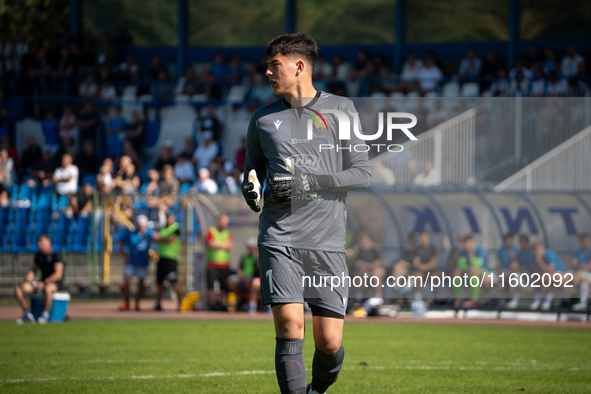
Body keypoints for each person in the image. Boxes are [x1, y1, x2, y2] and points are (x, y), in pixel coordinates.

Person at [241, 33, 371, 394]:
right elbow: (253, 173)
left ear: (299, 66)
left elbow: (362, 172)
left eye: (274, 65)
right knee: (290, 327)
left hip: (327, 243)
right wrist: (250, 189)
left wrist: (308, 183)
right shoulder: (262, 120)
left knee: (329, 343)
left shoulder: (341, 110)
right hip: (279, 237)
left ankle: (317, 390)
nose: (267, 72)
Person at [14, 235, 64, 324]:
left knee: (48, 288)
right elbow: (33, 270)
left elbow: (58, 275)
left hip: (54, 284)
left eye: (41, 242)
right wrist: (29, 277)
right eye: (38, 242)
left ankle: (45, 314)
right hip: (41, 283)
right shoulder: (38, 255)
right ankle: (27, 314)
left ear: (49, 243)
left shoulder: (56, 255)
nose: (39, 244)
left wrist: (44, 282)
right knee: (19, 289)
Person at [118, 215, 153, 311]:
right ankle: (126, 302)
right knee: (127, 281)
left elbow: (155, 243)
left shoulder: (148, 235)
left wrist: (151, 254)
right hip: (131, 261)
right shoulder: (131, 233)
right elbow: (120, 241)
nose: (140, 227)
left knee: (141, 283)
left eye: (142, 225)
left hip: (142, 262)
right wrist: (124, 253)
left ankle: (137, 302)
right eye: (139, 225)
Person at [347, 231, 385, 318]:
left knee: (377, 272)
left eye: (365, 240)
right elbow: (355, 263)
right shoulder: (359, 250)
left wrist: (365, 265)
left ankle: (378, 297)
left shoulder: (376, 249)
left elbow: (377, 264)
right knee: (359, 272)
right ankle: (359, 297)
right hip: (363, 273)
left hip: (375, 272)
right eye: (361, 240)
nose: (363, 242)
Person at [152, 212, 183, 311]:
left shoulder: (176, 228)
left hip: (171, 258)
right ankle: (158, 303)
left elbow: (170, 239)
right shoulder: (162, 228)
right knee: (159, 282)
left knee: (174, 280)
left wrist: (159, 238)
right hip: (161, 257)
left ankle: (180, 302)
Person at [205, 214, 233, 310]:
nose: (225, 223)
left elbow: (229, 246)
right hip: (212, 264)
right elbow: (211, 244)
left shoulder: (228, 233)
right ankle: (212, 305)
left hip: (224, 265)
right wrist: (223, 244)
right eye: (223, 221)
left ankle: (221, 305)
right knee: (211, 285)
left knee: (223, 286)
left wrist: (217, 243)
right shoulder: (211, 231)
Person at [453, 235, 489, 308]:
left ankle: (474, 300)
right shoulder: (463, 251)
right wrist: (468, 268)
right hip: (469, 271)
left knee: (474, 272)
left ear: (472, 242)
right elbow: (460, 264)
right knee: (457, 272)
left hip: (483, 271)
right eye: (465, 244)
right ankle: (458, 299)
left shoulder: (481, 250)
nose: (467, 246)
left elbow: (477, 264)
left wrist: (470, 253)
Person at [228, 237, 261, 313]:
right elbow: (239, 269)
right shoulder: (244, 256)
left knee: (254, 283)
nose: (249, 248)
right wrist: (241, 276)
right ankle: (241, 301)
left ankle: (252, 306)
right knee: (231, 280)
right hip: (243, 278)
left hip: (253, 278)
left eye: (251, 247)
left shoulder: (257, 257)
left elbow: (257, 270)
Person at [531, 242, 565, 311]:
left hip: (560, 273)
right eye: (535, 250)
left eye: (538, 249)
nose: (537, 251)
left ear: (543, 248)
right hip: (547, 273)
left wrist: (539, 261)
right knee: (536, 278)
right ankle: (537, 301)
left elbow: (550, 269)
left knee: (548, 277)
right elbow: (536, 269)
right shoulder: (535, 256)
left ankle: (549, 301)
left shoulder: (549, 254)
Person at [411, 230, 438, 301]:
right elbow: (416, 262)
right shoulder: (418, 249)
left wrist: (423, 267)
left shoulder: (432, 249)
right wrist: (420, 266)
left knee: (434, 277)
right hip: (421, 271)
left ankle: (436, 297)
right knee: (417, 276)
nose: (423, 239)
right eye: (421, 237)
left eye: (424, 237)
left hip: (431, 271)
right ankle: (417, 297)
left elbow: (433, 263)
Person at [497, 233, 521, 309]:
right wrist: (498, 270)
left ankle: (516, 300)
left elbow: (519, 265)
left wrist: (513, 258)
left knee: (517, 278)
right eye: (507, 240)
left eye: (510, 240)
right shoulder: (501, 250)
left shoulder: (517, 250)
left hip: (515, 272)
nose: (508, 241)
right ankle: (506, 298)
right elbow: (498, 262)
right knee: (503, 276)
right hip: (503, 272)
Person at [572, 233, 591, 311]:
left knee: (582, 279)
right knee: (583, 282)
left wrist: (581, 267)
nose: (583, 242)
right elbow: (573, 264)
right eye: (581, 241)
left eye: (585, 240)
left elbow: (588, 267)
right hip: (582, 273)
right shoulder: (577, 252)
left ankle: (577, 297)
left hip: (588, 273)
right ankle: (583, 303)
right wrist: (581, 267)